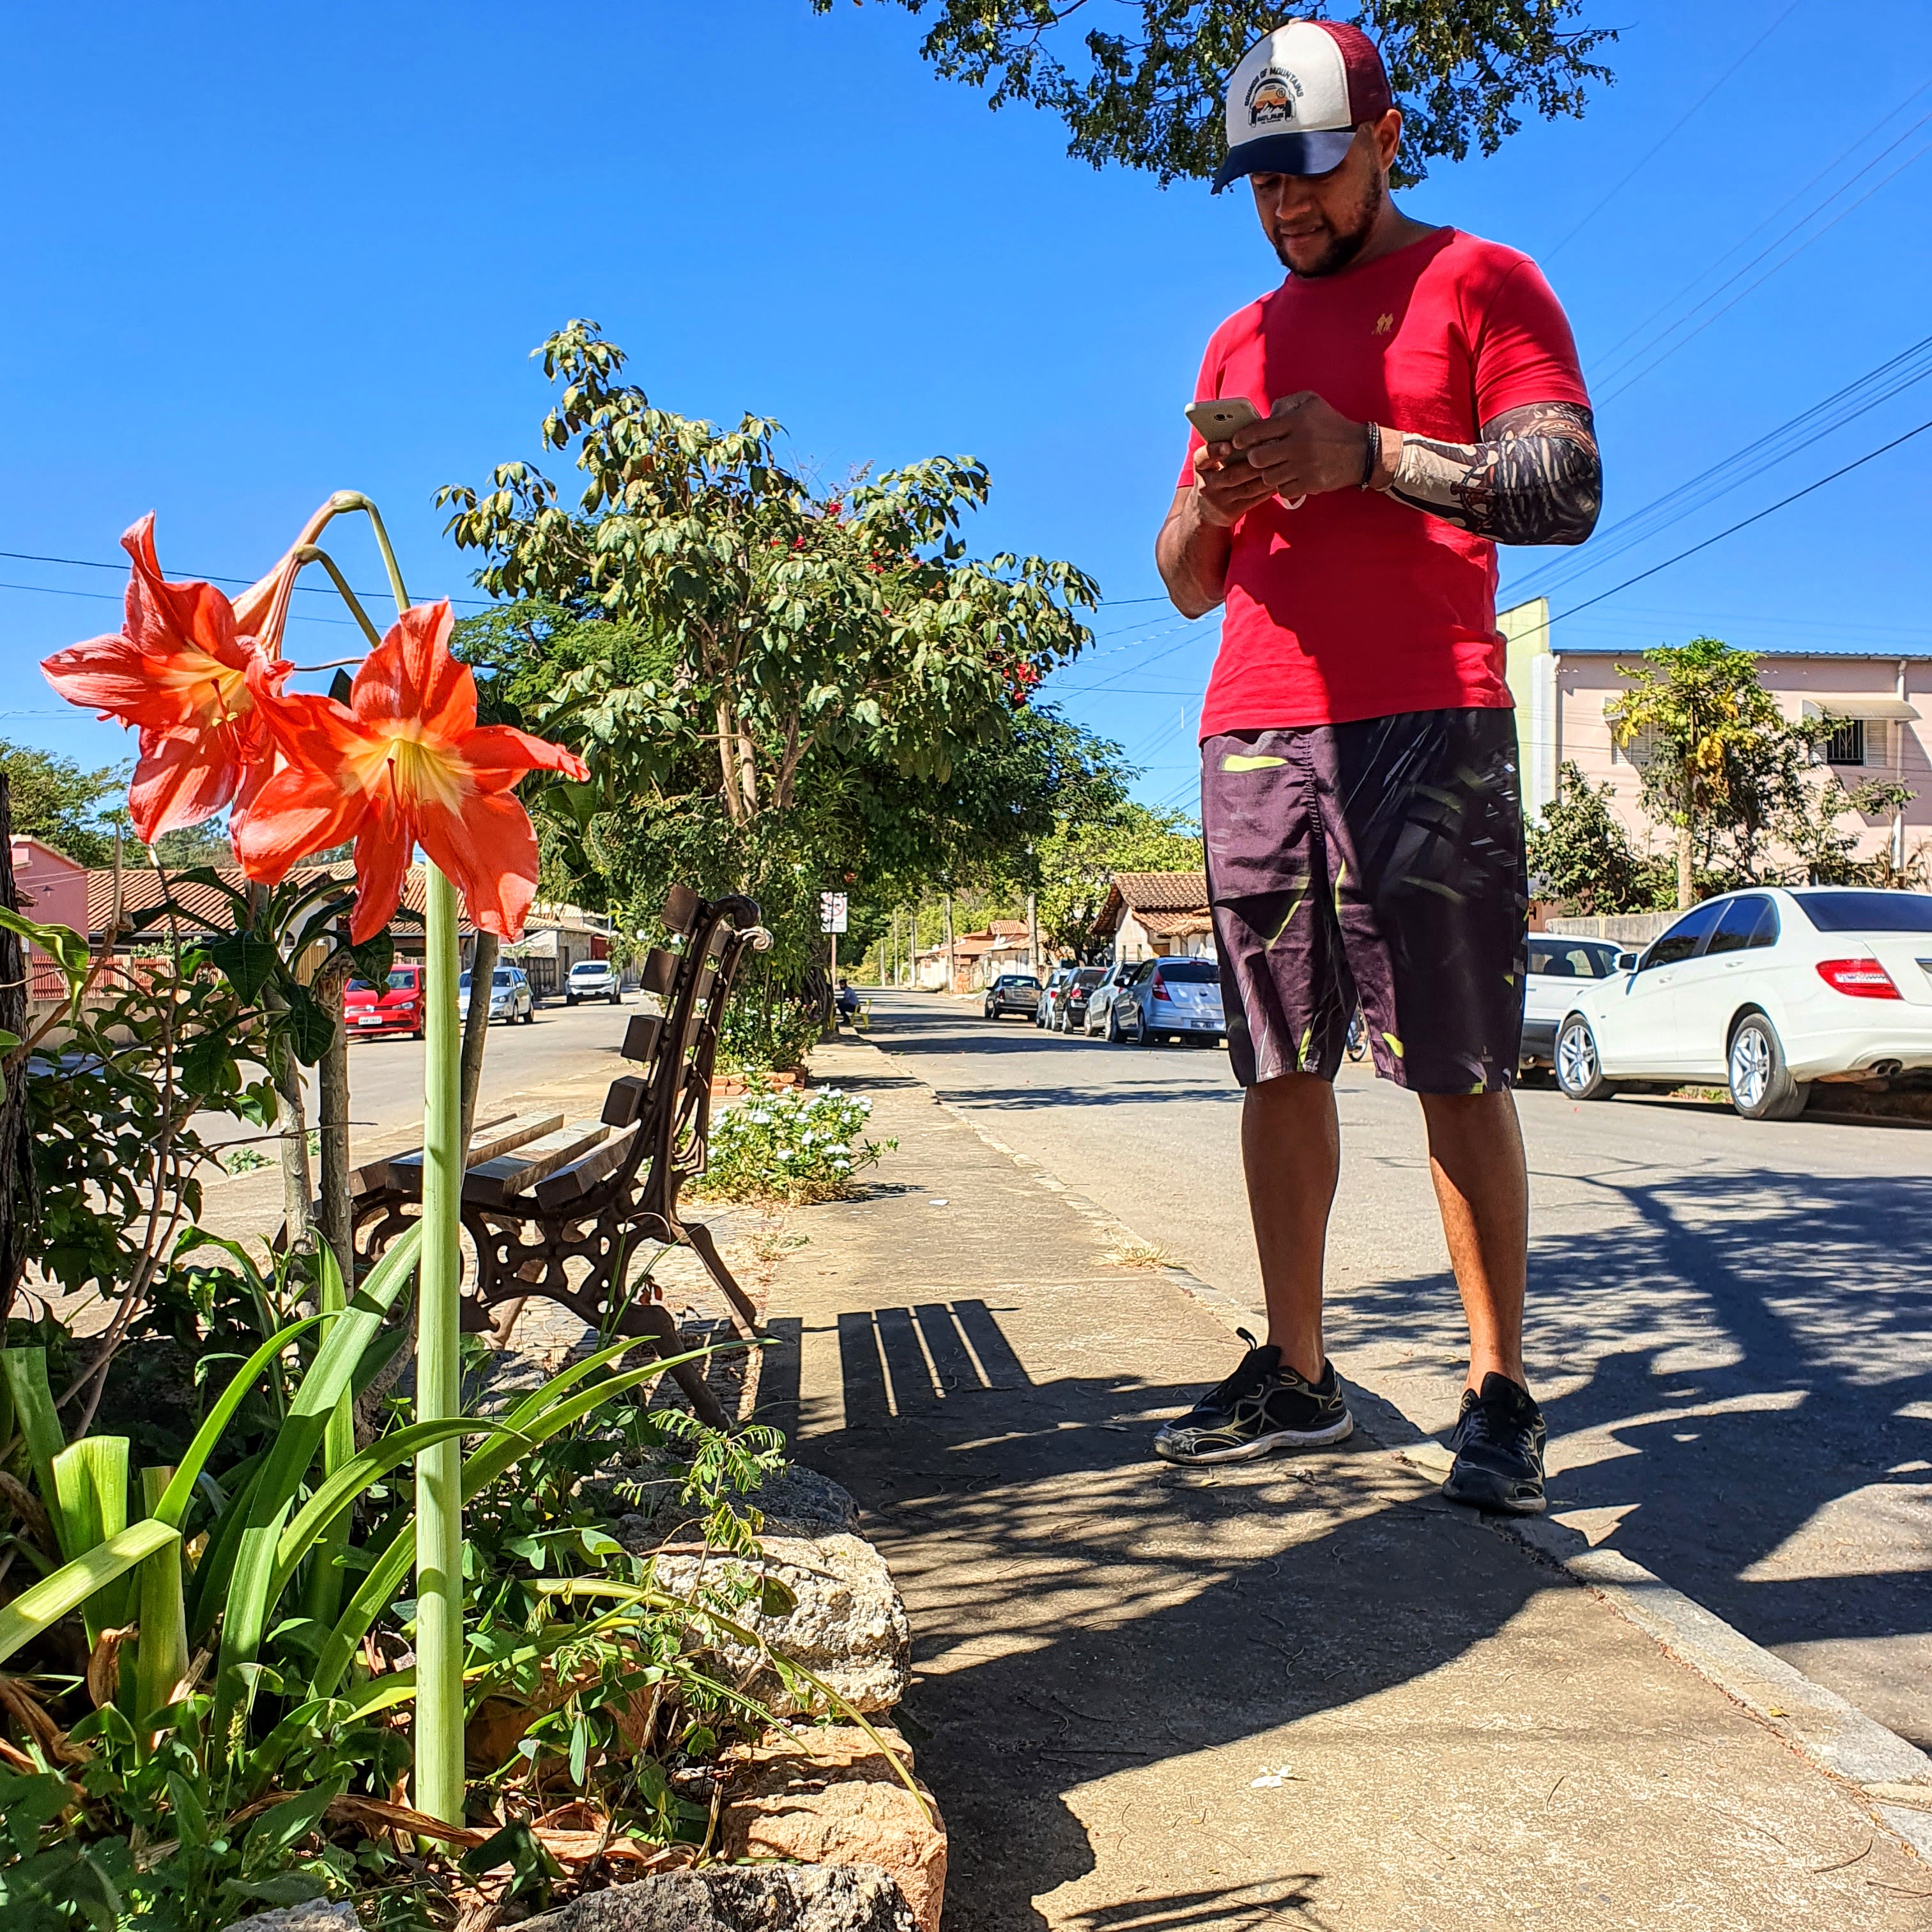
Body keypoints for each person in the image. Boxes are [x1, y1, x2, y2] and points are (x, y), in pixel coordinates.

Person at [1150, 19, 1600, 1515]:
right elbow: (1180, 582)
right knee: (1277, 1061)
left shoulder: (1486, 281)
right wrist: (1216, 499)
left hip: (1432, 719)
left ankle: (1498, 1393)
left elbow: (1563, 488)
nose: (1287, 203)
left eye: (1314, 169)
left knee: (1458, 1065)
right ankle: (1299, 1370)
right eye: (1262, 178)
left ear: (1387, 140)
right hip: (1258, 724)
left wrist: (1373, 456)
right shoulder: (1238, 338)